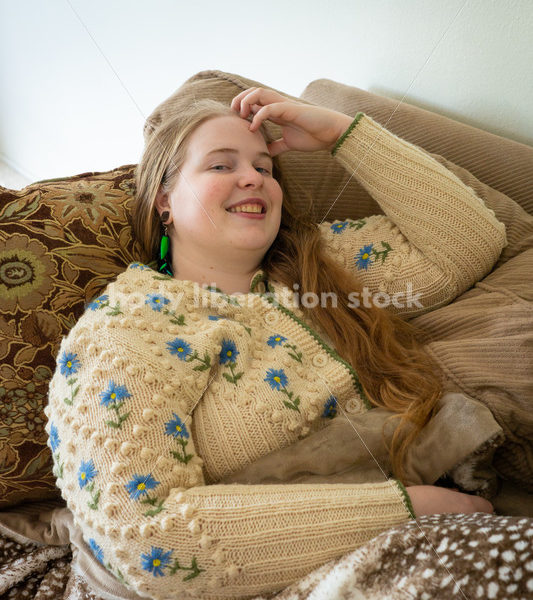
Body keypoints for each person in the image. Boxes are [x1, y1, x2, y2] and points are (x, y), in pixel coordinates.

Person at [45, 87, 505, 599]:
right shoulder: (123, 329)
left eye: (265, 167)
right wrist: (409, 507)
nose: (252, 178)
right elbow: (149, 539)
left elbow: (467, 245)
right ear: (164, 199)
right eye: (221, 166)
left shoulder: (320, 265)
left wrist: (342, 133)